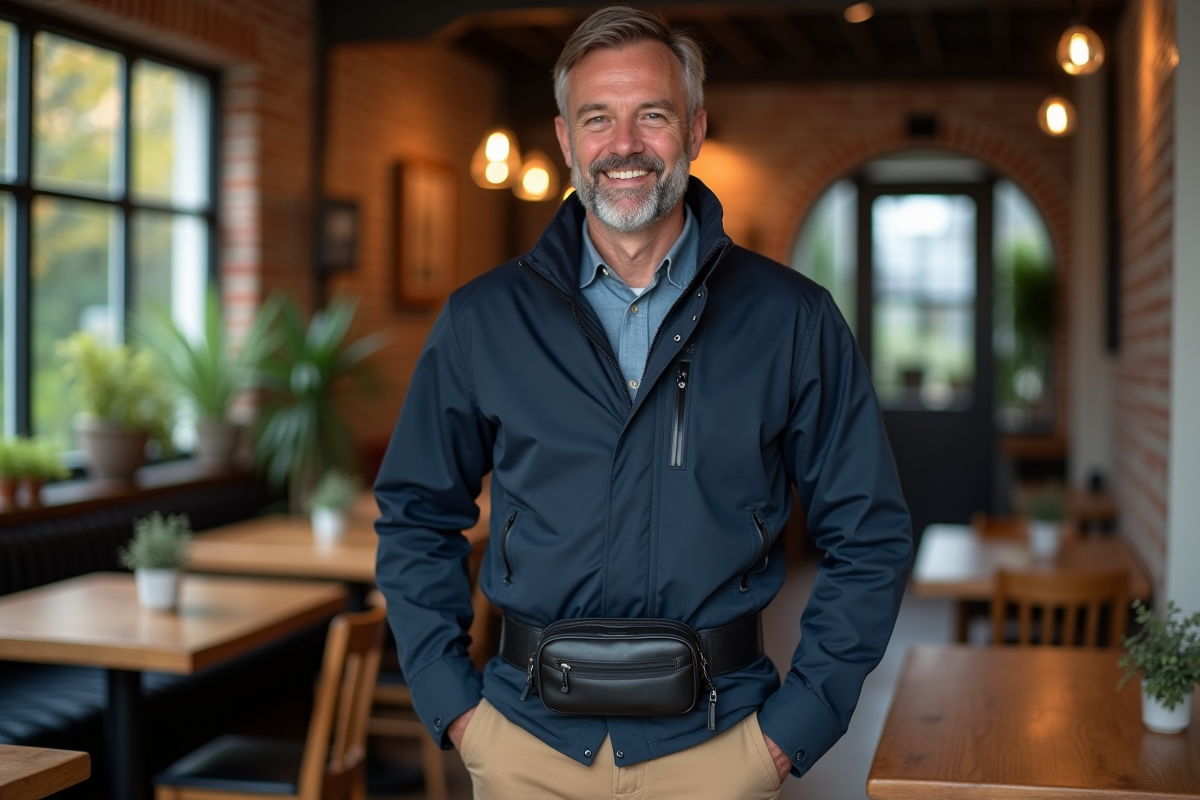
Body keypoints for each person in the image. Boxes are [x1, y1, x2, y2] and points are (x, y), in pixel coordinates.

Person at [374, 6, 913, 798]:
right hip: (524, 745)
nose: (623, 144)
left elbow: (870, 534)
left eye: (651, 115)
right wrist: (455, 709)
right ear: (565, 140)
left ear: (694, 130)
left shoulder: (792, 320)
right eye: (598, 118)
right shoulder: (481, 320)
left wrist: (791, 733)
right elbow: (416, 512)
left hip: (722, 748)